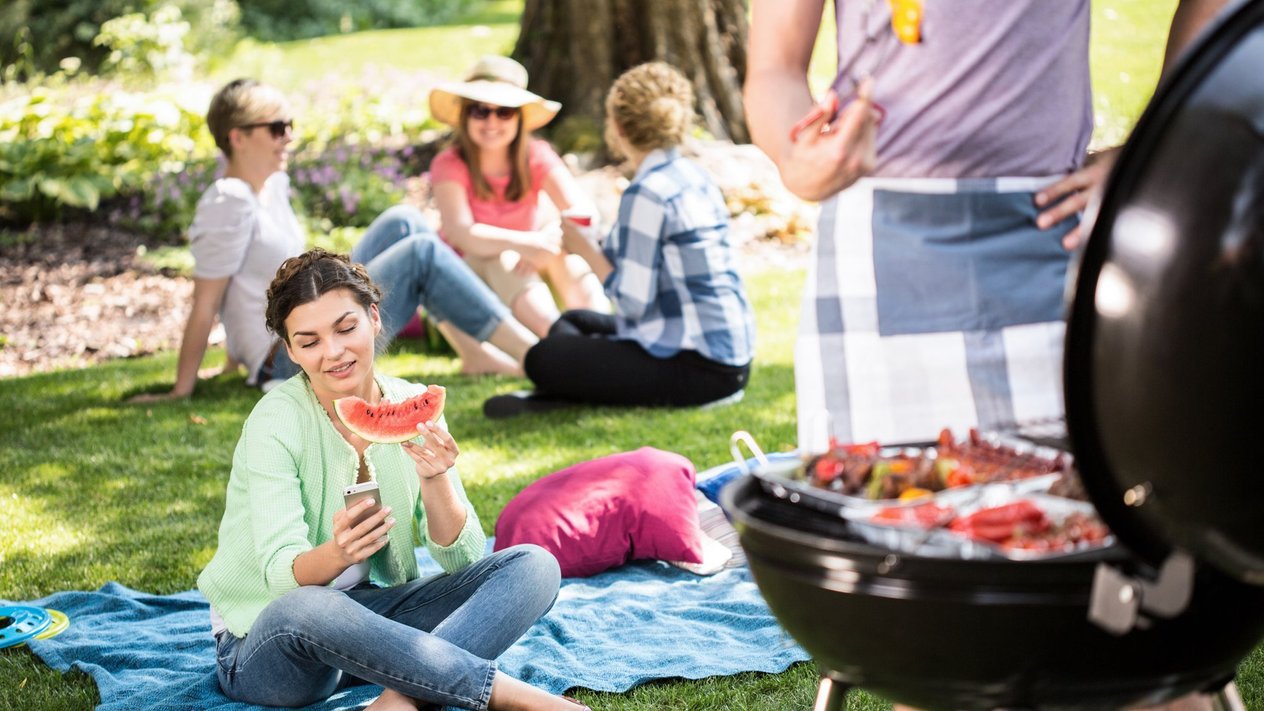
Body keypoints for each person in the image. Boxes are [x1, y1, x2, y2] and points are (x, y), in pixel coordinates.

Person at [744, 0, 1229, 449]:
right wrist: (793, 157)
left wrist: (1152, 146)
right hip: (877, 241)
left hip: (1049, 230)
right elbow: (773, 71)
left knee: (1068, 510)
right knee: (877, 506)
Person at [197, 248, 588, 711]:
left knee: (533, 566)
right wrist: (337, 554)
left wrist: (437, 478)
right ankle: (507, 695)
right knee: (308, 605)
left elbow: (461, 557)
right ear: (290, 351)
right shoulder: (274, 422)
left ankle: (398, 702)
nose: (334, 353)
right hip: (267, 646)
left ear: (374, 318)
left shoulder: (413, 401)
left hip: (370, 624)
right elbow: (283, 579)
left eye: (346, 328)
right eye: (309, 342)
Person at [131, 78, 537, 404]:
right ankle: (536, 357)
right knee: (422, 253)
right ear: (237, 137)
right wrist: (182, 389)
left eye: (289, 125)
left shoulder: (270, 186)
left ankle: (475, 353)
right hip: (290, 358)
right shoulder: (228, 202)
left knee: (404, 221)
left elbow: (251, 284)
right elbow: (207, 301)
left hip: (308, 319)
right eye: (276, 128)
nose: (288, 137)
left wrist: (232, 362)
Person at [483, 62, 755, 419]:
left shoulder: (647, 192)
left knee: (542, 358)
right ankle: (580, 387)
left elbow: (633, 302)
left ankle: (568, 392)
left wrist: (584, 249)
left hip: (699, 369)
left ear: (619, 127)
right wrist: (595, 239)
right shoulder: (691, 175)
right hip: (727, 357)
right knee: (577, 321)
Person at [428, 55, 609, 349]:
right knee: (502, 257)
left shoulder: (535, 154)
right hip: (464, 290)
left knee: (566, 253)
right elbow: (462, 233)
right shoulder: (449, 163)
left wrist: (550, 239)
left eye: (504, 112)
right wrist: (525, 243)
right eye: (479, 111)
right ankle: (562, 342)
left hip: (521, 279)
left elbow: (583, 212)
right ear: (465, 115)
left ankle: (604, 332)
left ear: (519, 117)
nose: (491, 121)